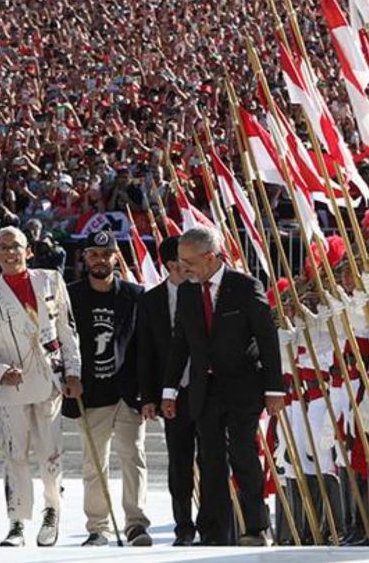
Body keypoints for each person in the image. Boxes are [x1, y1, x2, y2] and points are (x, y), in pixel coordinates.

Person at [161, 226, 284, 546]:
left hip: (243, 386)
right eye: (180, 261)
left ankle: (257, 527)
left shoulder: (245, 286)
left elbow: (267, 339)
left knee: (243, 454)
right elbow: (180, 343)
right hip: (205, 389)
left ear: (210, 257)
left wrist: (275, 389)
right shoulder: (187, 292)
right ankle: (214, 532)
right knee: (210, 460)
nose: (183, 267)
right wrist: (169, 390)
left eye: (188, 261)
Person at [0, 225, 82, 548]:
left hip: (50, 382)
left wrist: (73, 372)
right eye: (3, 247)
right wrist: (0, 372)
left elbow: (67, 329)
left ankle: (52, 511)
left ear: (28, 251)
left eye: (15, 246)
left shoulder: (51, 280)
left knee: (50, 453)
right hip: (13, 386)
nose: (10, 252)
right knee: (15, 454)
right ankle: (17, 521)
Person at [66, 230, 149, 547]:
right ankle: (97, 528)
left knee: (133, 458)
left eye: (106, 254)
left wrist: (148, 392)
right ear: (85, 258)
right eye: (93, 255)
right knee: (93, 463)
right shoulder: (70, 296)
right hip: (90, 393)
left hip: (128, 393)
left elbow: (146, 346)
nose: (100, 260)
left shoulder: (135, 294)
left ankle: (136, 523)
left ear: (116, 257)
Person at [137, 236, 197, 546]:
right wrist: (149, 397)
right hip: (171, 396)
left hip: (206, 390)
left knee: (215, 462)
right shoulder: (150, 301)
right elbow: (145, 353)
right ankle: (184, 527)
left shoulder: (204, 292)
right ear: (171, 265)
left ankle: (217, 524)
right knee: (179, 463)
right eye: (183, 263)